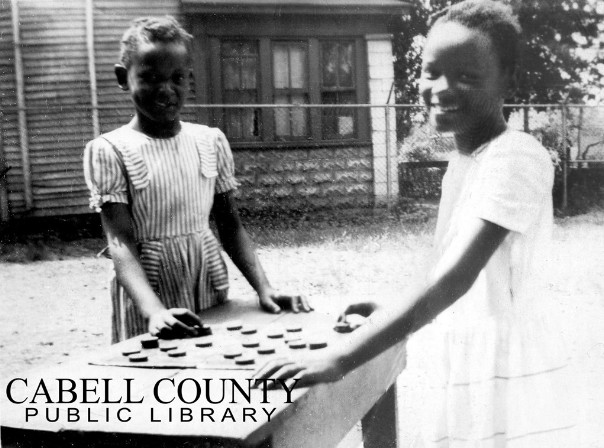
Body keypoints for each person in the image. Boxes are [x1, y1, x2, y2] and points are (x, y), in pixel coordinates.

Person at [254, 1, 576, 445]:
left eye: (467, 76)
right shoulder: (466, 160)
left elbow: (453, 279)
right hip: (466, 351)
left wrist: (342, 358)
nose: (441, 88)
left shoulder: (516, 156)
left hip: (505, 362)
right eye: (431, 71)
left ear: (509, 79)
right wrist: (387, 311)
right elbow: (438, 265)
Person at [83, 16, 311, 343]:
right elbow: (120, 243)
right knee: (153, 378)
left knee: (209, 370)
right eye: (148, 78)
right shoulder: (109, 150)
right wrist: (154, 312)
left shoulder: (209, 141)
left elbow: (230, 226)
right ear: (123, 78)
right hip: (149, 294)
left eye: (177, 78)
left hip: (205, 281)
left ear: (189, 80)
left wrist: (265, 288)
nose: (165, 90)